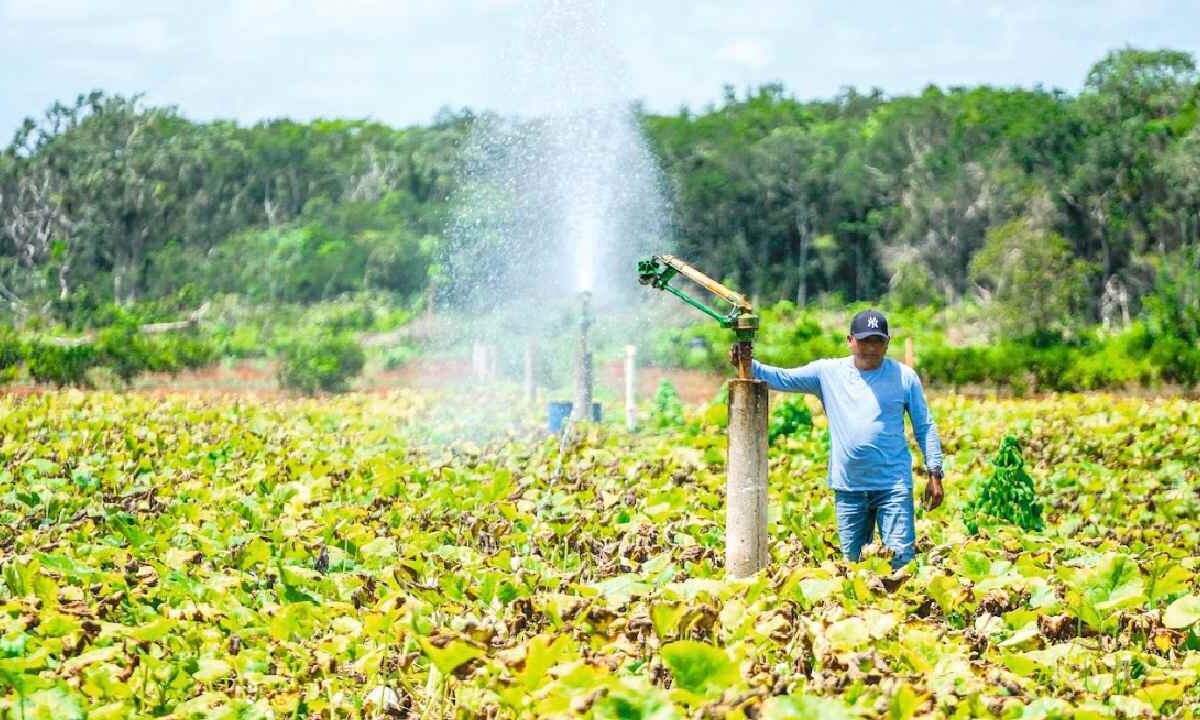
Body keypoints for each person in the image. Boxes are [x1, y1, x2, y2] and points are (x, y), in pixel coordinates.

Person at [731, 309, 944, 569]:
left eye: (878, 341)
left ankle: (897, 607)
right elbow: (782, 378)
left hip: (893, 486)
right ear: (850, 341)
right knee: (852, 566)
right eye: (865, 341)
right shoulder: (827, 373)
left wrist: (935, 473)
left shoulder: (904, 377)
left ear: (887, 342)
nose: (871, 348)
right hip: (849, 487)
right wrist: (747, 362)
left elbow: (925, 426)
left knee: (900, 560)